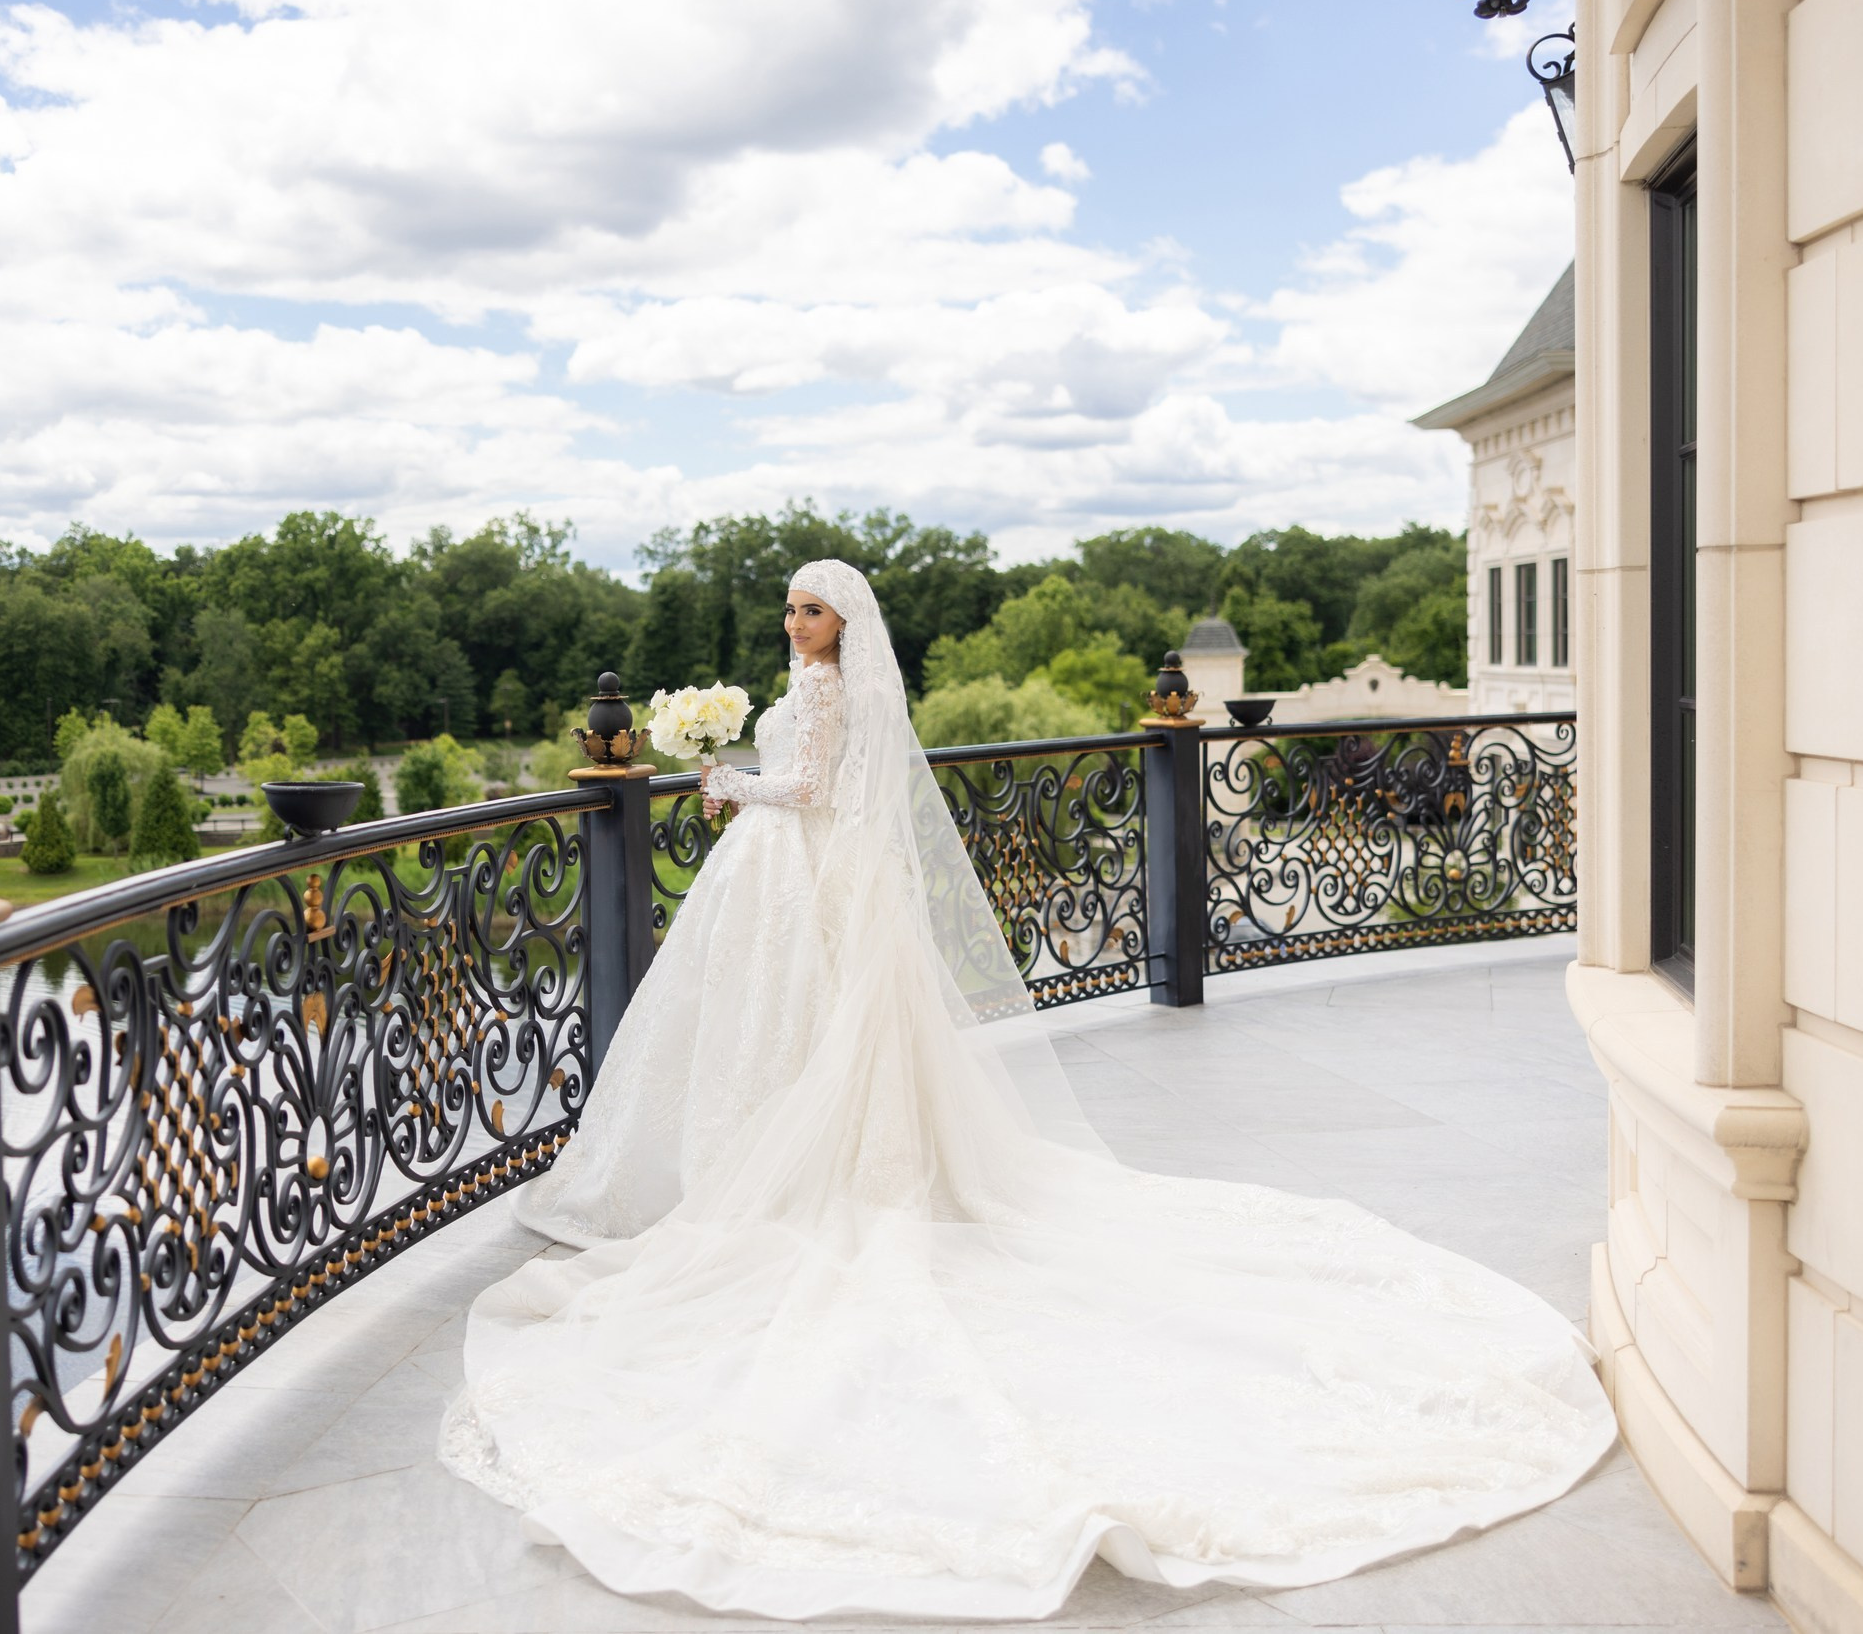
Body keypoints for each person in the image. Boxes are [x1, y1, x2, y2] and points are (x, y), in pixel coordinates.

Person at [440, 559, 1615, 1623]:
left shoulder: (832, 687)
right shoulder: (817, 678)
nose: (795, 624)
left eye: (813, 610)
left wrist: (725, 779)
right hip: (811, 879)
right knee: (799, 1033)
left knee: (821, 1038)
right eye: (791, 608)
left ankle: (802, 1174)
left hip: (808, 865)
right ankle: (780, 1158)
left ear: (845, 625)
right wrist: (742, 774)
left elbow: (810, 786)